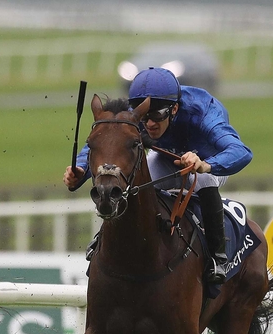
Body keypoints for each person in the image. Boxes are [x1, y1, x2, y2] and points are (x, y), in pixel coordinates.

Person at [63, 67, 253, 284]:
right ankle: (103, 239)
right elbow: (105, 140)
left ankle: (217, 256)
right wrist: (81, 170)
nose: (150, 123)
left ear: (174, 109)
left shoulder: (204, 113)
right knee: (134, 181)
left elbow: (242, 152)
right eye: (145, 116)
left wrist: (206, 164)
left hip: (208, 161)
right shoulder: (133, 112)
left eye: (157, 115)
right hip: (167, 156)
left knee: (204, 180)